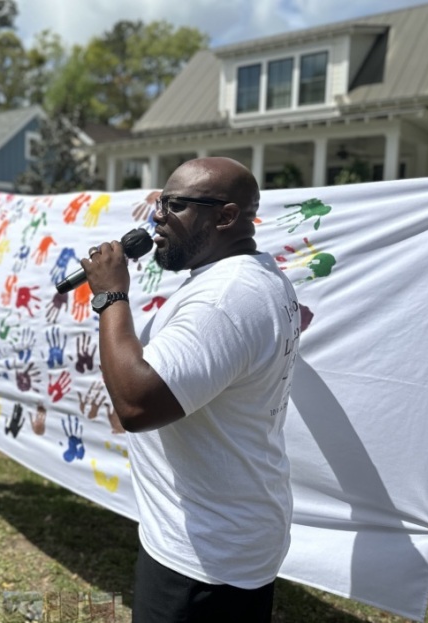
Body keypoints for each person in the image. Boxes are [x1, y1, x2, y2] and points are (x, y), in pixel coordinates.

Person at [81, 157, 301, 622]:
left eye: (176, 206)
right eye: (160, 203)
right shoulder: (252, 278)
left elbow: (137, 405)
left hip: (203, 555)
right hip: (229, 534)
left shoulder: (226, 298)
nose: (157, 218)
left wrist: (110, 295)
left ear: (225, 217)